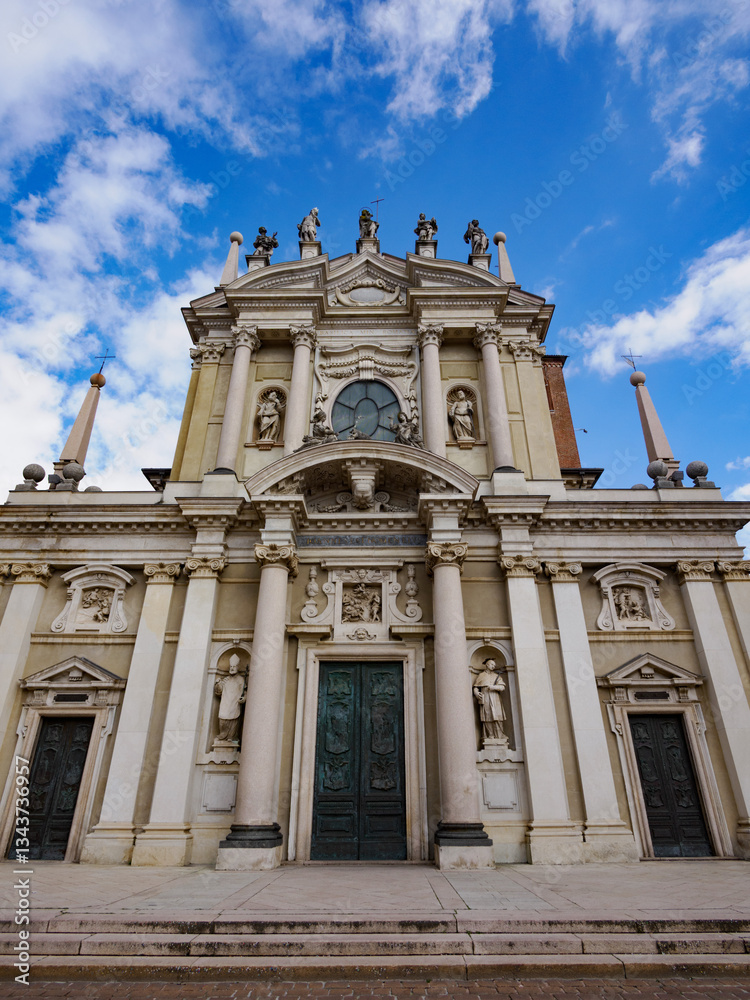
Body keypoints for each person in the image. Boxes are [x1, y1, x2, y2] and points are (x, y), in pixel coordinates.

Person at [472, 658, 507, 742]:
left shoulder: (496, 676)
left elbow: (502, 687)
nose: (493, 666)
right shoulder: (481, 675)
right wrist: (476, 693)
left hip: (495, 698)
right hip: (486, 697)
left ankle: (499, 735)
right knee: (487, 716)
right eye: (492, 664)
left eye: (494, 665)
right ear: (487, 665)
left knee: (498, 716)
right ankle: (490, 735)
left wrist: (493, 687)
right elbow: (476, 687)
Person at [214, 655, 246, 742]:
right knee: (222, 721)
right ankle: (222, 736)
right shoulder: (226, 679)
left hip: (235, 704)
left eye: (234, 666)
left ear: (237, 667)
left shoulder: (241, 680)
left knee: (234, 721)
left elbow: (244, 691)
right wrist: (218, 684)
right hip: (225, 704)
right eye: (231, 666)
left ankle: (231, 737)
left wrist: (243, 698)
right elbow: (218, 692)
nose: (232, 668)